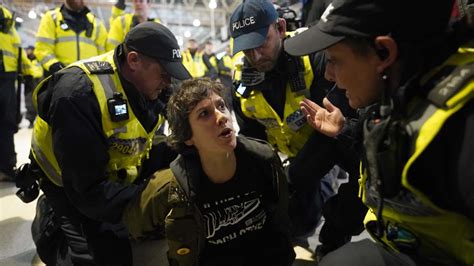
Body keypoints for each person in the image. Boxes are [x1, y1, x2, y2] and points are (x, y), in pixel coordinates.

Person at [285, 0, 474, 264]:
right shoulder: (408, 93)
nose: (329, 75)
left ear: (384, 53)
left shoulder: (463, 124)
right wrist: (344, 132)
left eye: (335, 60)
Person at [28, 22, 191, 265]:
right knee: (104, 259)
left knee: (184, 147)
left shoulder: (153, 81)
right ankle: (51, 218)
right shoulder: (77, 94)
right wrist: (152, 201)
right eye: (165, 73)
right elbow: (89, 191)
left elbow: (186, 118)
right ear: (134, 60)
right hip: (71, 185)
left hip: (120, 166)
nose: (169, 82)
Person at [229, 0, 365, 250]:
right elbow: (251, 139)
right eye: (247, 49)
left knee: (362, 180)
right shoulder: (241, 81)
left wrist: (293, 179)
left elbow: (337, 125)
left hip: (334, 144)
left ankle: (333, 239)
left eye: (261, 43)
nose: (255, 56)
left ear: (280, 28)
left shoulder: (315, 55)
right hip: (291, 156)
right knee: (296, 219)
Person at [123, 77, 296, 266]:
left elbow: (280, 219)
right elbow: (135, 226)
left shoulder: (263, 159)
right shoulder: (171, 186)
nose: (221, 116)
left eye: (221, 106)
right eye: (204, 114)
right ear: (187, 136)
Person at [0, 5, 36, 181]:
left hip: (7, 75)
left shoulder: (6, 15)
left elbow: (16, 47)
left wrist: (28, 71)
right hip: (6, 74)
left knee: (7, 122)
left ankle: (6, 167)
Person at [34, 0, 107, 75]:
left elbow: (103, 52)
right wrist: (57, 67)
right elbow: (42, 48)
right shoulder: (52, 18)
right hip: (59, 78)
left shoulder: (96, 22)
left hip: (89, 78)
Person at [23, 46, 43, 128]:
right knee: (29, 102)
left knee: (39, 101)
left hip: (39, 81)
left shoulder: (39, 59)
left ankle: (40, 121)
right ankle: (30, 121)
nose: (28, 51)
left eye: (30, 50)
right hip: (29, 81)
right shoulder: (25, 59)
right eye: (27, 50)